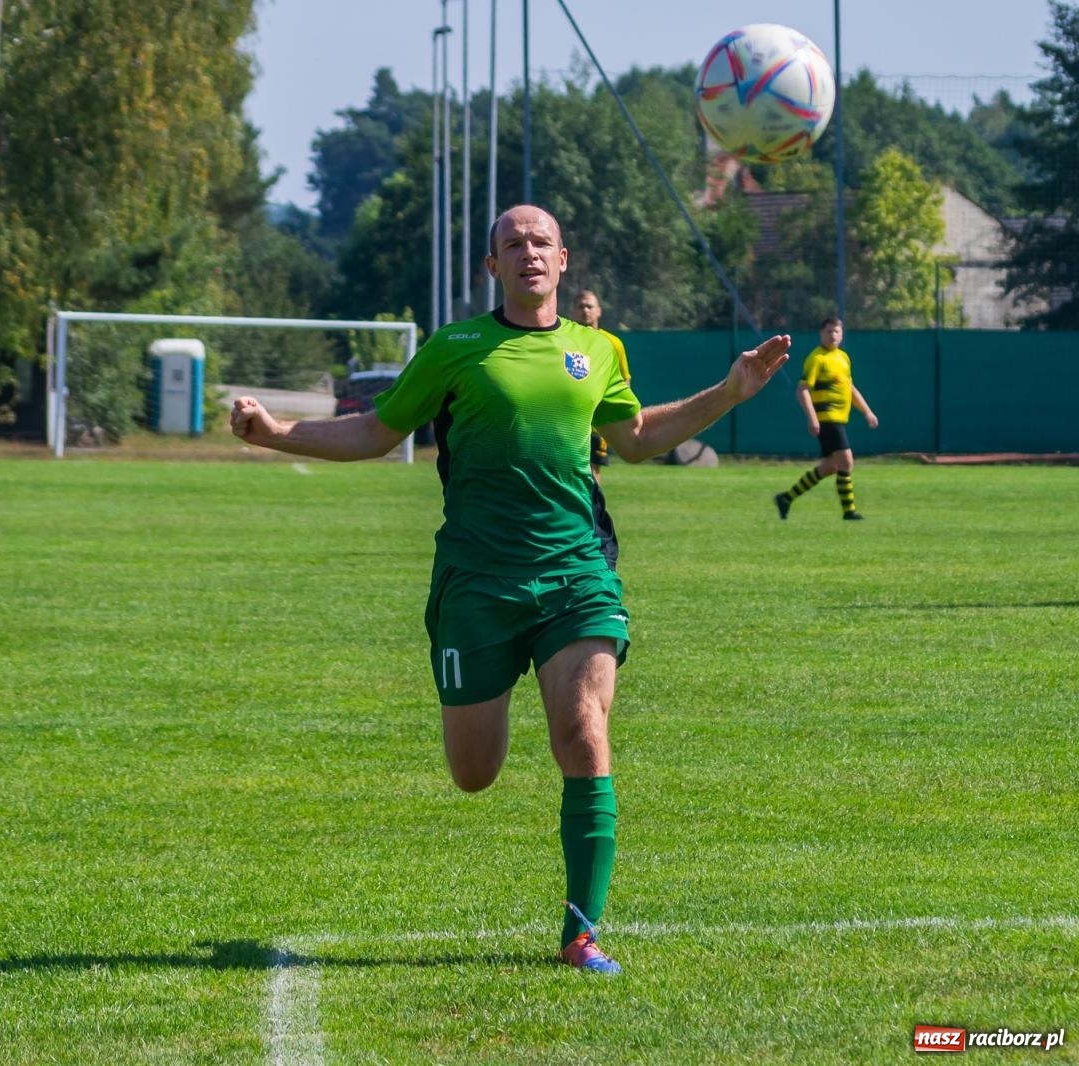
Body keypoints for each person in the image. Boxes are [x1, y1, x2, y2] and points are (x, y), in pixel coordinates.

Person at [230, 205, 790, 975]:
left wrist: (728, 392)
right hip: (477, 582)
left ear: (564, 260)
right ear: (493, 268)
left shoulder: (598, 349)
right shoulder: (456, 348)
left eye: (540, 242)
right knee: (475, 772)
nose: (528, 253)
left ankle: (581, 933)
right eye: (512, 244)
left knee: (584, 730)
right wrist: (278, 433)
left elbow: (633, 440)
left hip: (576, 571)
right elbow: (375, 432)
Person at [774, 316, 879, 521]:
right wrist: (812, 417)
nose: (833, 335)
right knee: (846, 461)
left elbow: (849, 388)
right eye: (828, 331)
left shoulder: (843, 358)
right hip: (827, 417)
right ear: (821, 334)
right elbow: (802, 389)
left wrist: (867, 411)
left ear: (842, 334)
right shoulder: (817, 358)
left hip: (840, 418)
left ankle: (786, 498)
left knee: (830, 466)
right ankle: (849, 512)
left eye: (836, 331)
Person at [569, 289, 631, 485]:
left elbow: (624, 381)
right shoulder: (563, 339)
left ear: (599, 311)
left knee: (593, 472)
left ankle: (594, 514)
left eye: (590, 306)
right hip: (569, 419)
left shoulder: (613, 343)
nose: (585, 310)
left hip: (598, 422)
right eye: (581, 306)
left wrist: (619, 416)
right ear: (573, 311)